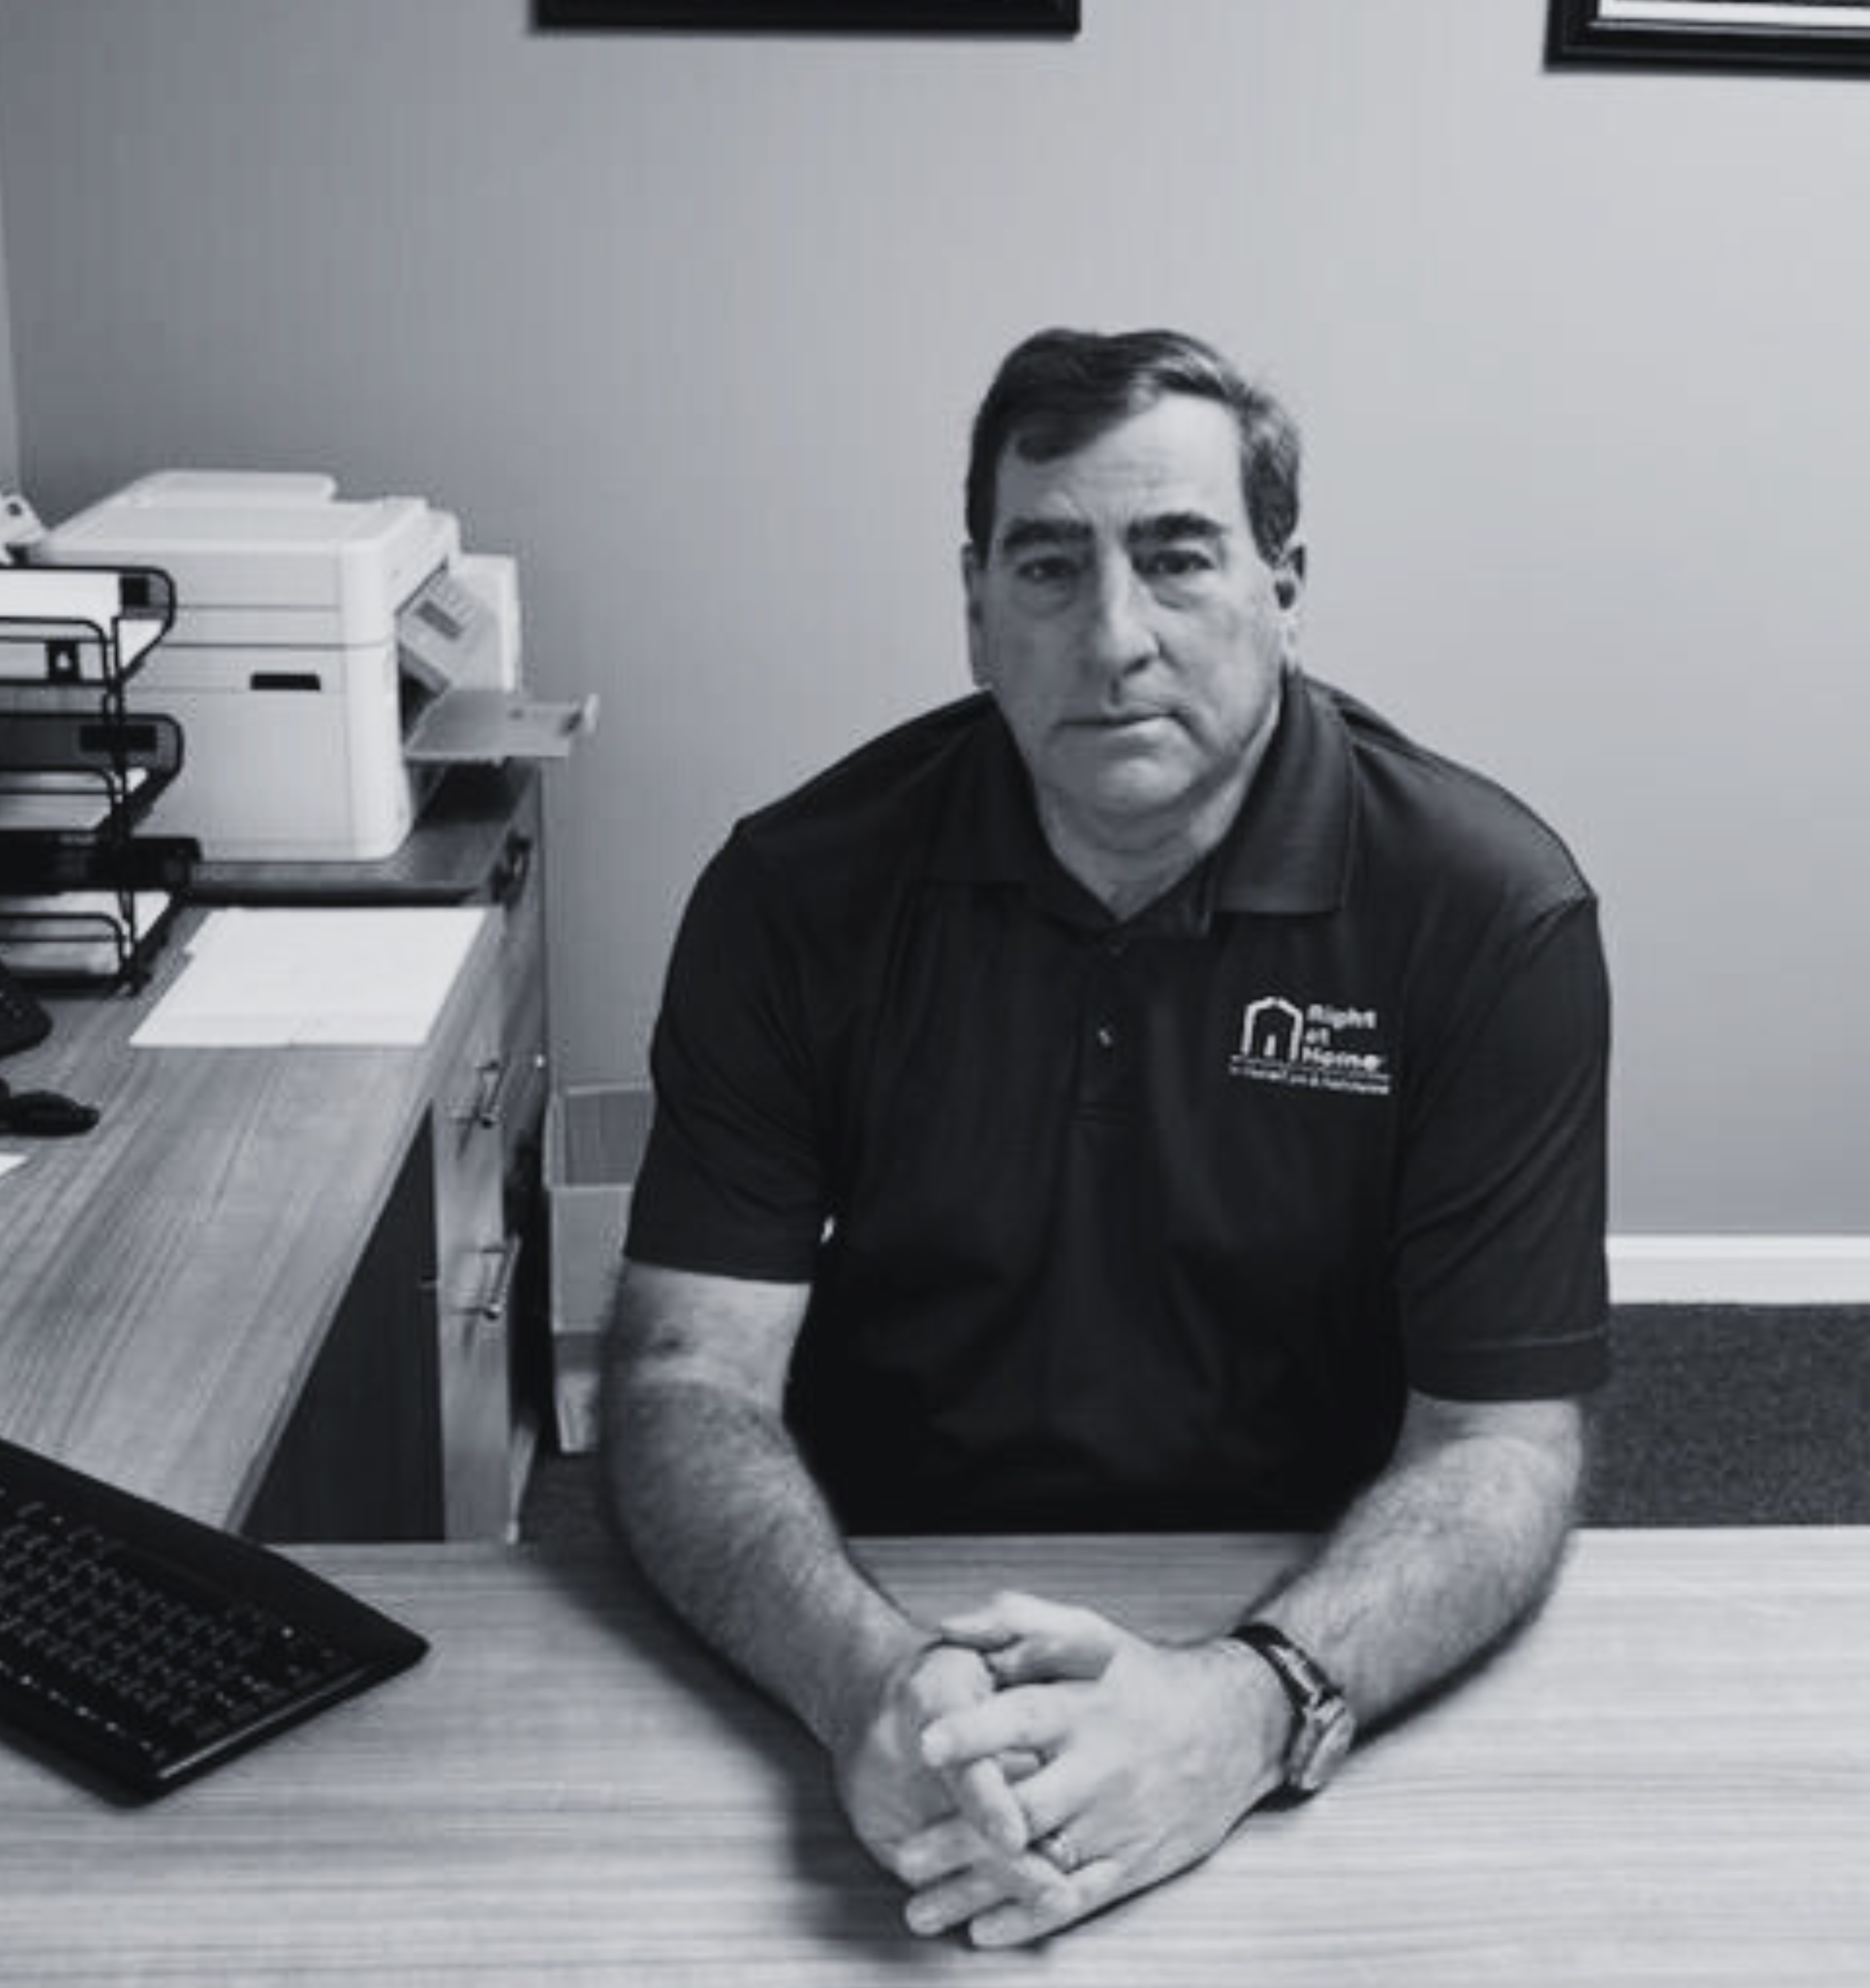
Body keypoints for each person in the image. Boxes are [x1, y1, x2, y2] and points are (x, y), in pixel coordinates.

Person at [600, 326, 1610, 1948]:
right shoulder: (795, 894)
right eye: (1051, 566)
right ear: (977, 603)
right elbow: (679, 1383)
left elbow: (1498, 1446)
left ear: (1286, 582)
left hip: (1318, 1592)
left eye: (1180, 558)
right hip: (883, 1586)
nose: (1115, 637)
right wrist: (870, 1683)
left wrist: (1248, 1707)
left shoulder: (1487, 916)